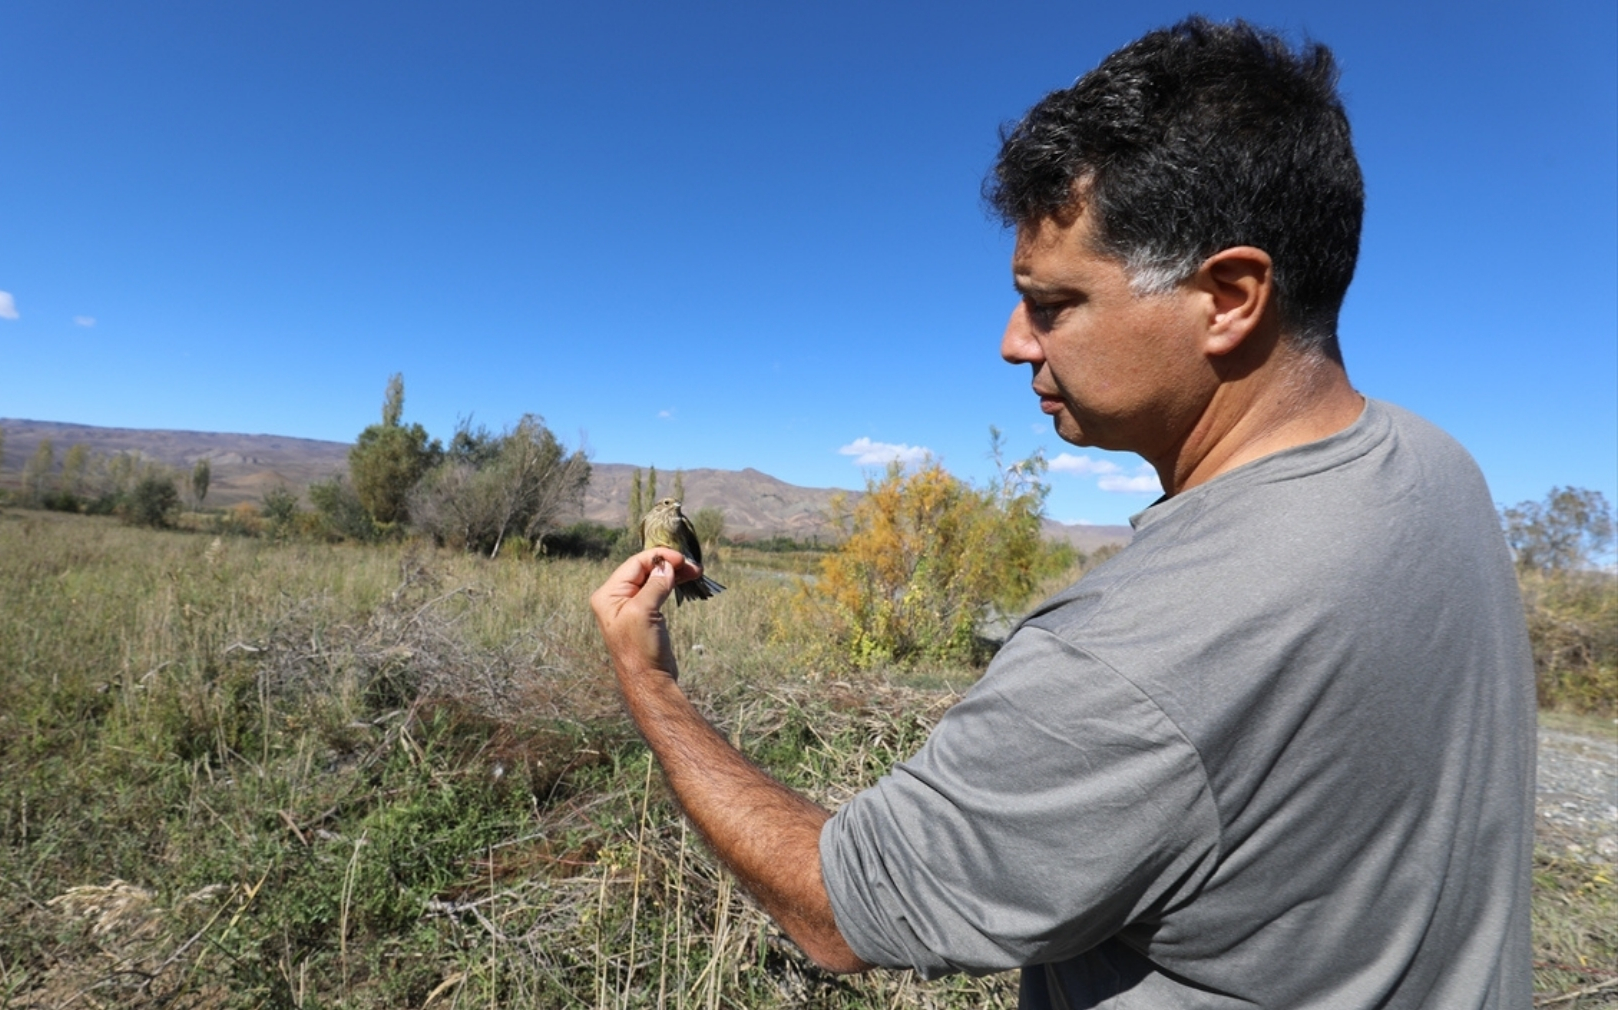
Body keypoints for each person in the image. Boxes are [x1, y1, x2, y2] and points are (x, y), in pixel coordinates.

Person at [590, 17, 1534, 1009]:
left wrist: (651, 685)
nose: (1011, 341)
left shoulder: (1132, 653)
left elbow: (839, 907)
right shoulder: (1434, 468)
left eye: (1051, 302)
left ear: (1228, 295)